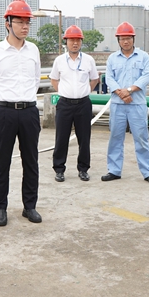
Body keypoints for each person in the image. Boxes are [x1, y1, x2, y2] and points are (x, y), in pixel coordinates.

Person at [0, 0, 42, 226]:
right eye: (19, 22)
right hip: (5, 112)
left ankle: (30, 206)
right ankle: (1, 208)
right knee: (2, 162)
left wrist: (24, 100)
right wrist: (4, 103)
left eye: (27, 22)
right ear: (8, 23)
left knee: (31, 161)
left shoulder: (33, 50)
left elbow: (36, 80)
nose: (25, 26)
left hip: (29, 112)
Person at [102, 22, 149, 184]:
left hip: (137, 104)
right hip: (117, 104)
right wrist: (121, 93)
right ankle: (114, 170)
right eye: (122, 39)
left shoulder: (143, 57)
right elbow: (109, 78)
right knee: (115, 137)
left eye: (128, 38)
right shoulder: (112, 58)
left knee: (141, 138)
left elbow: (146, 76)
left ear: (133, 39)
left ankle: (148, 171)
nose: (125, 41)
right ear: (118, 40)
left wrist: (129, 90)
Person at [49, 25, 100, 182]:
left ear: (81, 42)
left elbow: (95, 79)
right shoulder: (59, 60)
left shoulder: (88, 60)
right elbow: (54, 79)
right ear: (66, 42)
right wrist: (63, 92)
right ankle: (59, 169)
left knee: (84, 138)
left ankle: (83, 169)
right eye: (71, 40)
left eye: (78, 40)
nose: (75, 43)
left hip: (83, 104)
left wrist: (86, 91)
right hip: (64, 104)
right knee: (61, 138)